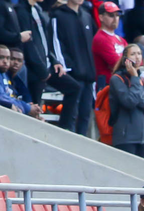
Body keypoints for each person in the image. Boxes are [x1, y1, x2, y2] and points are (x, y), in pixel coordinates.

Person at [49, 0, 97, 134]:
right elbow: (55, 42)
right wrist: (66, 66)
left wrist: (93, 69)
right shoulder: (58, 15)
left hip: (89, 75)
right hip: (73, 74)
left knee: (85, 115)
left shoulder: (86, 16)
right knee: (71, 114)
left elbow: (92, 46)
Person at [109, 43, 144, 156]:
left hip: (141, 138)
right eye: (133, 54)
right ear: (125, 59)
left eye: (139, 53)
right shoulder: (117, 79)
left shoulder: (143, 80)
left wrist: (138, 99)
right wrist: (134, 77)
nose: (137, 57)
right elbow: (129, 102)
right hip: (125, 138)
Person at [91, 1, 127, 86]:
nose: (115, 19)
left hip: (119, 84)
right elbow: (116, 63)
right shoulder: (101, 38)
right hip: (107, 86)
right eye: (111, 15)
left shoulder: (120, 39)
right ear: (101, 17)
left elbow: (134, 59)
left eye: (117, 15)